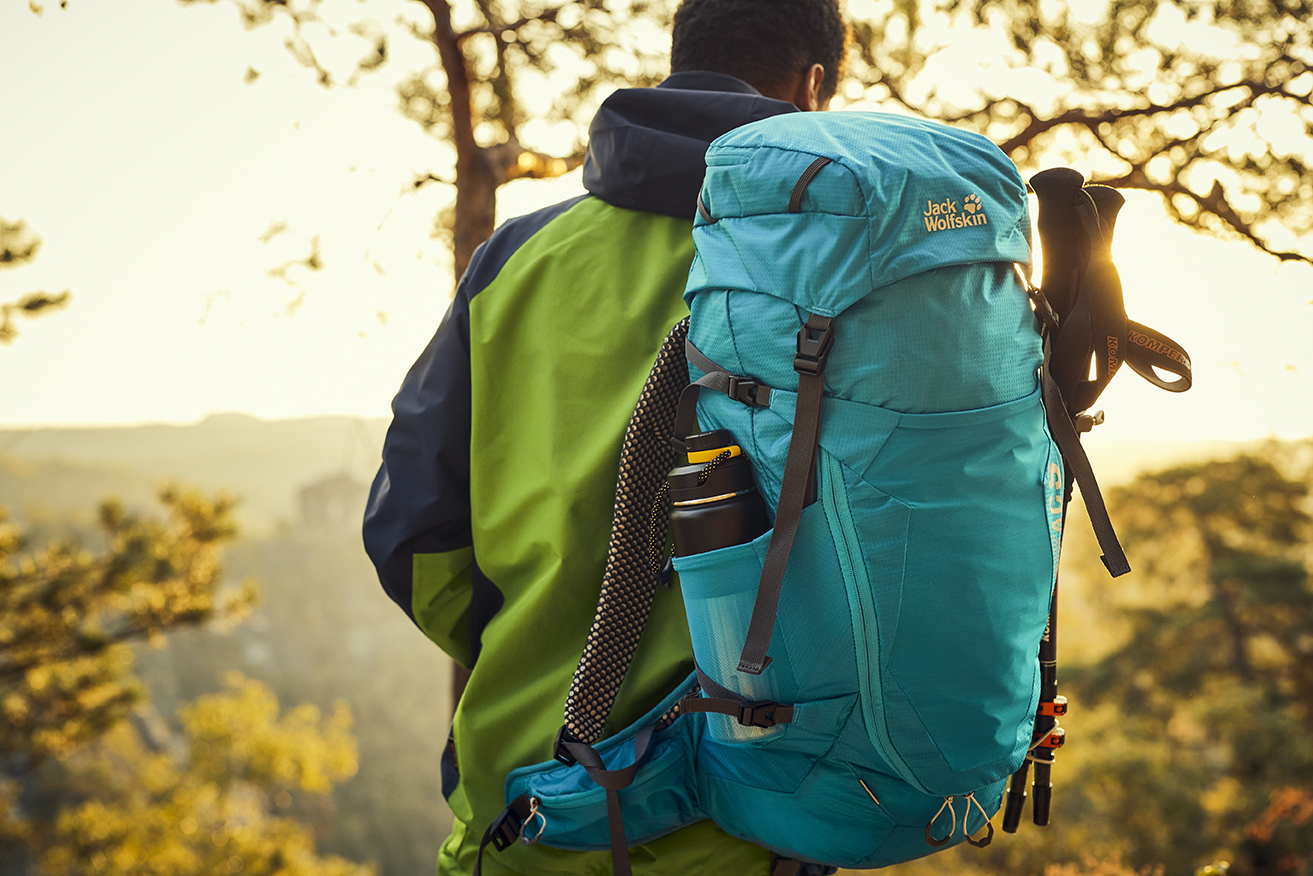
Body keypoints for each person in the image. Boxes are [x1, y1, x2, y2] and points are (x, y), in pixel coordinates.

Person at [363, 2, 848, 873]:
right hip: (751, 834)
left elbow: (413, 532)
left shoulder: (517, 258)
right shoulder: (838, 271)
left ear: (680, 58)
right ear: (812, 87)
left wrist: (536, 640)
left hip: (529, 808)